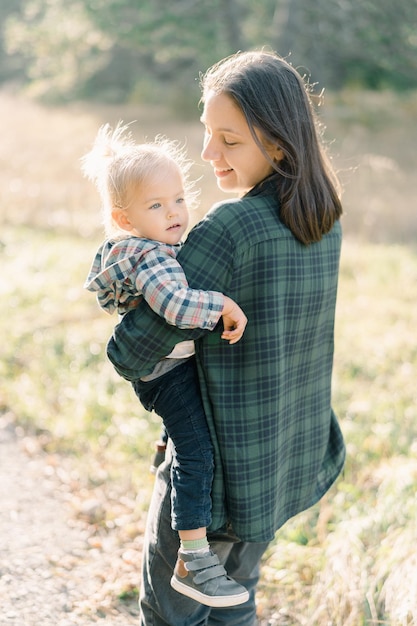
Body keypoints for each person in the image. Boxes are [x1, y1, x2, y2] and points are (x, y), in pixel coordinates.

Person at [107, 49, 346, 626]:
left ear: (281, 143)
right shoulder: (325, 218)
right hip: (280, 464)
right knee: (236, 604)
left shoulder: (230, 227)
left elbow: (129, 352)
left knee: (171, 615)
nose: (208, 153)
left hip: (213, 482)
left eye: (230, 140)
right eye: (207, 133)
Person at [82, 122, 250, 608]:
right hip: (166, 372)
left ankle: (165, 446)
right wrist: (220, 304)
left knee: (188, 429)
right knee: (197, 452)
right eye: (156, 205)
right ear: (124, 217)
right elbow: (176, 307)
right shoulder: (149, 255)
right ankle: (192, 560)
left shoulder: (154, 244)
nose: (174, 212)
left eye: (178, 198)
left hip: (166, 367)